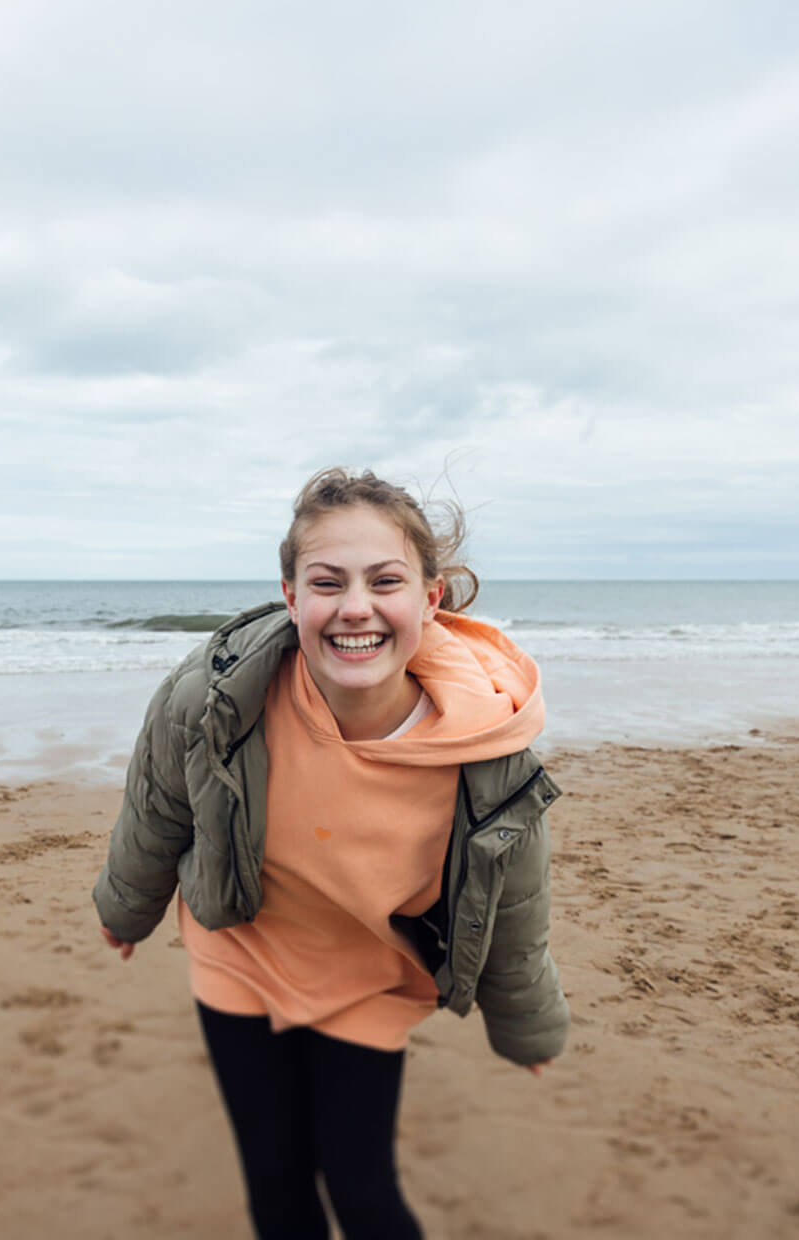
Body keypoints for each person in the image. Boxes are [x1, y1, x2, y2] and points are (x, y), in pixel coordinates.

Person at [93, 467, 567, 1240]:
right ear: (291, 598)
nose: (355, 608)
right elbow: (158, 810)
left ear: (429, 598)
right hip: (239, 952)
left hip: (370, 982)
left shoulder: (488, 747)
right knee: (275, 1180)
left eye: (385, 581)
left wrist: (525, 1027)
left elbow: (515, 907)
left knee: (362, 1188)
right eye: (327, 582)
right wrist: (127, 909)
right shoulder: (213, 699)